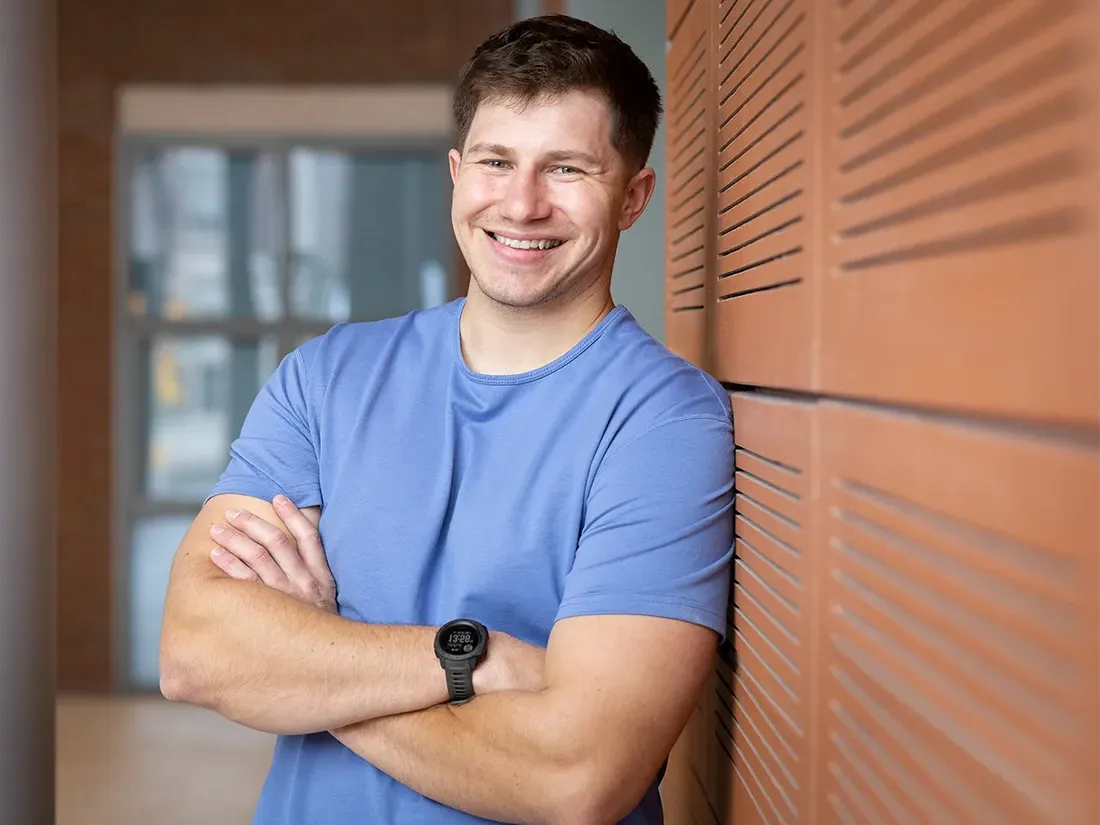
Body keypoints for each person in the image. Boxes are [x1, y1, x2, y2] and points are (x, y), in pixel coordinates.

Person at [159, 13, 734, 825]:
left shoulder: (663, 422)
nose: (522, 203)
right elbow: (194, 650)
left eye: (567, 168)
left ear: (634, 196)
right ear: (458, 173)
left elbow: (577, 777)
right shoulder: (326, 377)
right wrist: (474, 656)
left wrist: (315, 654)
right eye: (497, 162)